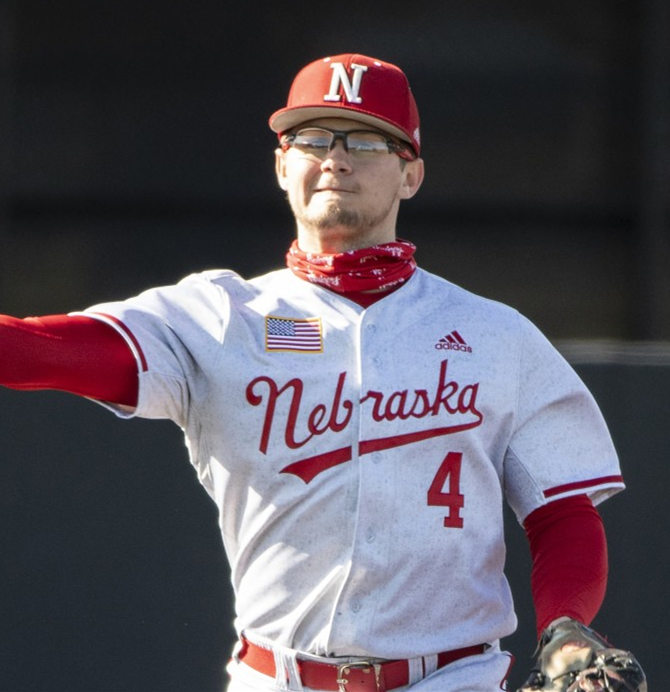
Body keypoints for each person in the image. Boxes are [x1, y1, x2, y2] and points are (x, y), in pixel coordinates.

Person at [0, 54, 643, 692]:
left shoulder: (494, 335)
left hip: (451, 678)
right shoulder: (221, 317)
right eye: (312, 138)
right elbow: (38, 350)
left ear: (410, 175)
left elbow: (562, 513)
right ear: (283, 167)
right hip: (274, 676)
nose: (335, 158)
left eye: (366, 140)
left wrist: (566, 623)